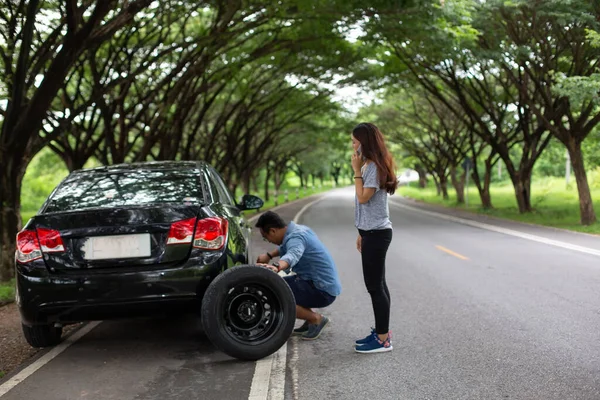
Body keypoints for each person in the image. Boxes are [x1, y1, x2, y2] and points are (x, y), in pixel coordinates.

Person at [255, 211, 342, 340]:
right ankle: (310, 321)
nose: (267, 240)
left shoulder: (296, 237)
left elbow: (293, 254)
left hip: (321, 289)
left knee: (277, 296)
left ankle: (316, 319)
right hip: (319, 283)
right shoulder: (297, 230)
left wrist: (277, 266)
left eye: (265, 237)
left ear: (272, 231)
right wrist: (269, 255)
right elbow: (286, 247)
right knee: (279, 286)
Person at [351, 122, 398, 354]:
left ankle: (382, 340)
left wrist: (356, 170)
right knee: (379, 284)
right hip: (372, 232)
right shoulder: (371, 165)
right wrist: (361, 233)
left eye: (354, 142)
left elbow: (363, 198)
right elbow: (365, 206)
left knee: (375, 286)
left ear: (364, 143)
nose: (352, 147)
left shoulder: (372, 168)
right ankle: (383, 333)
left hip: (377, 233)